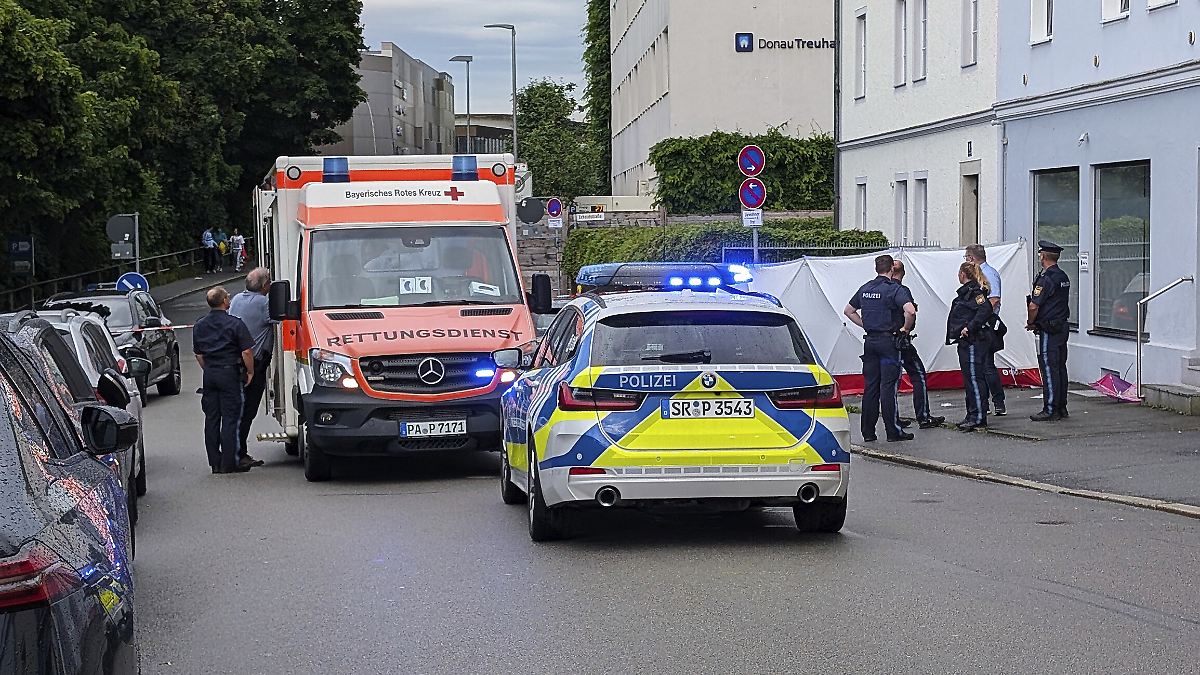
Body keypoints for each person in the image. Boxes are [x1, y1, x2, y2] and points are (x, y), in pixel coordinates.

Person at [844, 254, 917, 443]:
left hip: (870, 342)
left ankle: (868, 432)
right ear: (891, 269)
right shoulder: (894, 289)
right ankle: (893, 431)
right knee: (888, 387)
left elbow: (848, 311)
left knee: (871, 387)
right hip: (889, 343)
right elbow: (910, 310)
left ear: (876, 268)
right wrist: (905, 328)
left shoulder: (866, 288)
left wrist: (865, 325)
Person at [193, 286, 255, 473]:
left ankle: (214, 462)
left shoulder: (200, 324)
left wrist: (209, 369)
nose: (229, 299)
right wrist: (250, 372)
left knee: (211, 418)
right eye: (227, 297)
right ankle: (229, 462)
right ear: (224, 302)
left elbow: (198, 353)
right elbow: (246, 351)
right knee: (230, 418)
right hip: (229, 373)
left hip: (210, 374)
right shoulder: (235, 324)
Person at [229, 268, 277, 469]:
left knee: (236, 410)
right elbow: (281, 318)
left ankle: (233, 452)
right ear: (265, 285)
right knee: (247, 411)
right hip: (253, 364)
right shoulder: (264, 303)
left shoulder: (237, 299)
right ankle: (239, 454)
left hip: (235, 362)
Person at [889, 260, 946, 430]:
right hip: (901, 340)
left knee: (891, 381)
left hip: (885, 340)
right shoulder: (901, 290)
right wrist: (905, 329)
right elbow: (910, 311)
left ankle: (894, 418)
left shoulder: (879, 289)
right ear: (903, 273)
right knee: (918, 375)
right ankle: (923, 416)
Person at [946, 262, 995, 432]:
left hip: (975, 340)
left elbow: (985, 309)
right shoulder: (966, 293)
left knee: (975, 378)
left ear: (963, 274)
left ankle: (979, 416)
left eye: (959, 273)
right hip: (965, 342)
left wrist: (970, 327)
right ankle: (971, 414)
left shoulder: (975, 292)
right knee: (969, 379)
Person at [1027, 240, 1072, 421]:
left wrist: (1031, 322)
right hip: (1062, 326)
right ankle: (1061, 407)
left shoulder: (1046, 279)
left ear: (1043, 256)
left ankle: (1051, 408)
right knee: (1060, 368)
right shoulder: (1063, 276)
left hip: (1050, 329)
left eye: (1040, 254)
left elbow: (1033, 306)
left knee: (1049, 368)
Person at [965, 244, 1006, 416]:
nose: (966, 260)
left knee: (987, 365)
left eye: (966, 257)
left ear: (972, 258)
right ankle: (985, 403)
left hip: (987, 326)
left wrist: (979, 316)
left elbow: (994, 299)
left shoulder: (988, 274)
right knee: (981, 366)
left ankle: (998, 402)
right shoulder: (979, 274)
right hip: (979, 325)